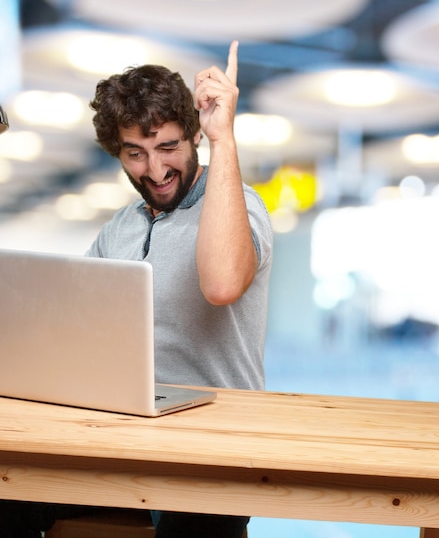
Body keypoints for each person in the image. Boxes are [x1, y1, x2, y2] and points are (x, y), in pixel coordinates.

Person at [0, 40, 273, 538]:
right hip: (122, 435)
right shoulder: (120, 227)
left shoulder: (239, 203)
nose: (155, 169)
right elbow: (69, 325)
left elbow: (221, 283)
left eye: (168, 146)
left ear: (193, 137)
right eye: (136, 154)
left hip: (218, 445)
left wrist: (224, 138)